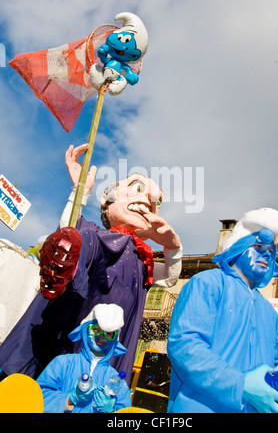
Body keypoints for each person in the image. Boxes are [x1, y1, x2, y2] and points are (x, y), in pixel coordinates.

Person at [0, 144, 182, 384]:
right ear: (107, 202)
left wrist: (173, 247)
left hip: (109, 354)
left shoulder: (143, 259)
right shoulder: (96, 237)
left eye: (155, 200)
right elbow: (73, 235)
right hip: (73, 340)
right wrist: (79, 192)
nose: (148, 200)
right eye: (137, 187)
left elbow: (169, 278)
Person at [167, 207, 278, 413]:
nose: (266, 253)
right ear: (238, 248)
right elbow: (186, 346)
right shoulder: (207, 283)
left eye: (271, 250)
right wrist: (239, 385)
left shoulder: (271, 314)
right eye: (258, 246)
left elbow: (277, 362)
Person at [36, 303, 132, 413]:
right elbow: (36, 397)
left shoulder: (117, 381)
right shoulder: (62, 363)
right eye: (95, 330)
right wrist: (69, 400)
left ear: (115, 339)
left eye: (108, 333)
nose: (101, 336)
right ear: (85, 330)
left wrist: (112, 410)